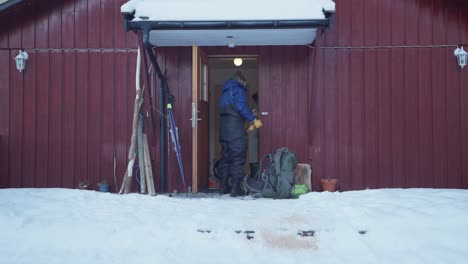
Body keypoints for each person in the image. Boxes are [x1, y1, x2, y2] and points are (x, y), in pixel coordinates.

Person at [218, 71, 263, 197]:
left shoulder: (225, 93)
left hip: (224, 131)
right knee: (237, 158)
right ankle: (235, 189)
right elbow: (241, 108)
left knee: (225, 159)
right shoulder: (238, 89)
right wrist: (253, 119)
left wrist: (249, 113)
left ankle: (223, 187)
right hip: (235, 132)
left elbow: (234, 110)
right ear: (241, 81)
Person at [248, 92, 259, 178]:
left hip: (253, 129)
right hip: (253, 130)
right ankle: (254, 176)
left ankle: (254, 175)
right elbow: (253, 122)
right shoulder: (253, 105)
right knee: (253, 152)